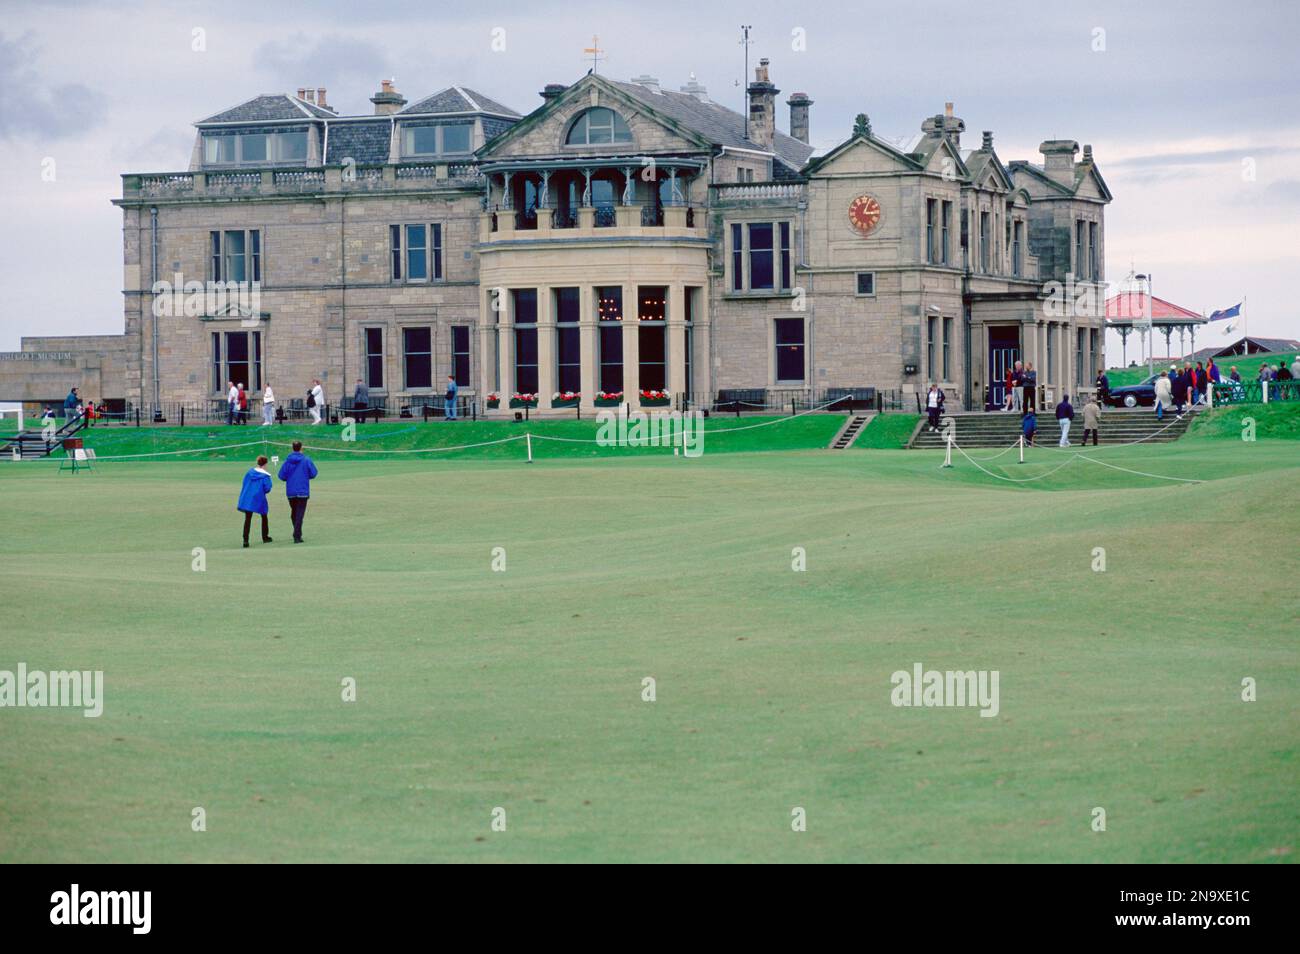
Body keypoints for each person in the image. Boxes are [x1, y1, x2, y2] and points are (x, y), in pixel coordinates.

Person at [278, 440, 318, 544]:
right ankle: (297, 535)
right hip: (303, 491)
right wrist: (305, 476)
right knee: (299, 514)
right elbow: (313, 473)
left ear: (292, 448)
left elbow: (281, 476)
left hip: (291, 491)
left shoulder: (287, 461)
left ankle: (297, 533)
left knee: (294, 513)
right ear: (301, 448)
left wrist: (290, 477)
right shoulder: (306, 460)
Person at [236, 455, 274, 548]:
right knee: (264, 515)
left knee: (248, 519)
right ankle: (265, 537)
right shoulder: (265, 475)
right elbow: (267, 488)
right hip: (259, 498)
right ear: (265, 464)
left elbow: (244, 483)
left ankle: (245, 540)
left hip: (248, 497)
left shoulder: (249, 472)